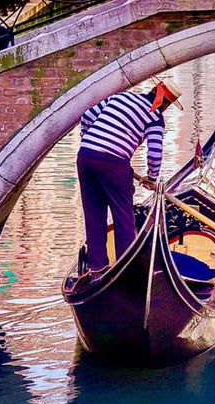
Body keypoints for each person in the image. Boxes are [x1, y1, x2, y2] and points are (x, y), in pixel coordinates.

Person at [76, 78, 183, 275]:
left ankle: (97, 268)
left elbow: (87, 115)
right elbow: (155, 153)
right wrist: (151, 177)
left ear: (153, 89)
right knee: (123, 216)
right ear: (166, 103)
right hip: (115, 164)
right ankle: (127, 271)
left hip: (85, 156)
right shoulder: (155, 118)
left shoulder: (120, 97)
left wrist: (89, 141)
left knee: (94, 214)